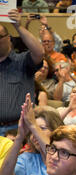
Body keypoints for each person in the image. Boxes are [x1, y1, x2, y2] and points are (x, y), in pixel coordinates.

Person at [0, 9, 44, 137]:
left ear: (9, 39)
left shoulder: (22, 61)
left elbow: (39, 52)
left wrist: (18, 26)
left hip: (19, 129)